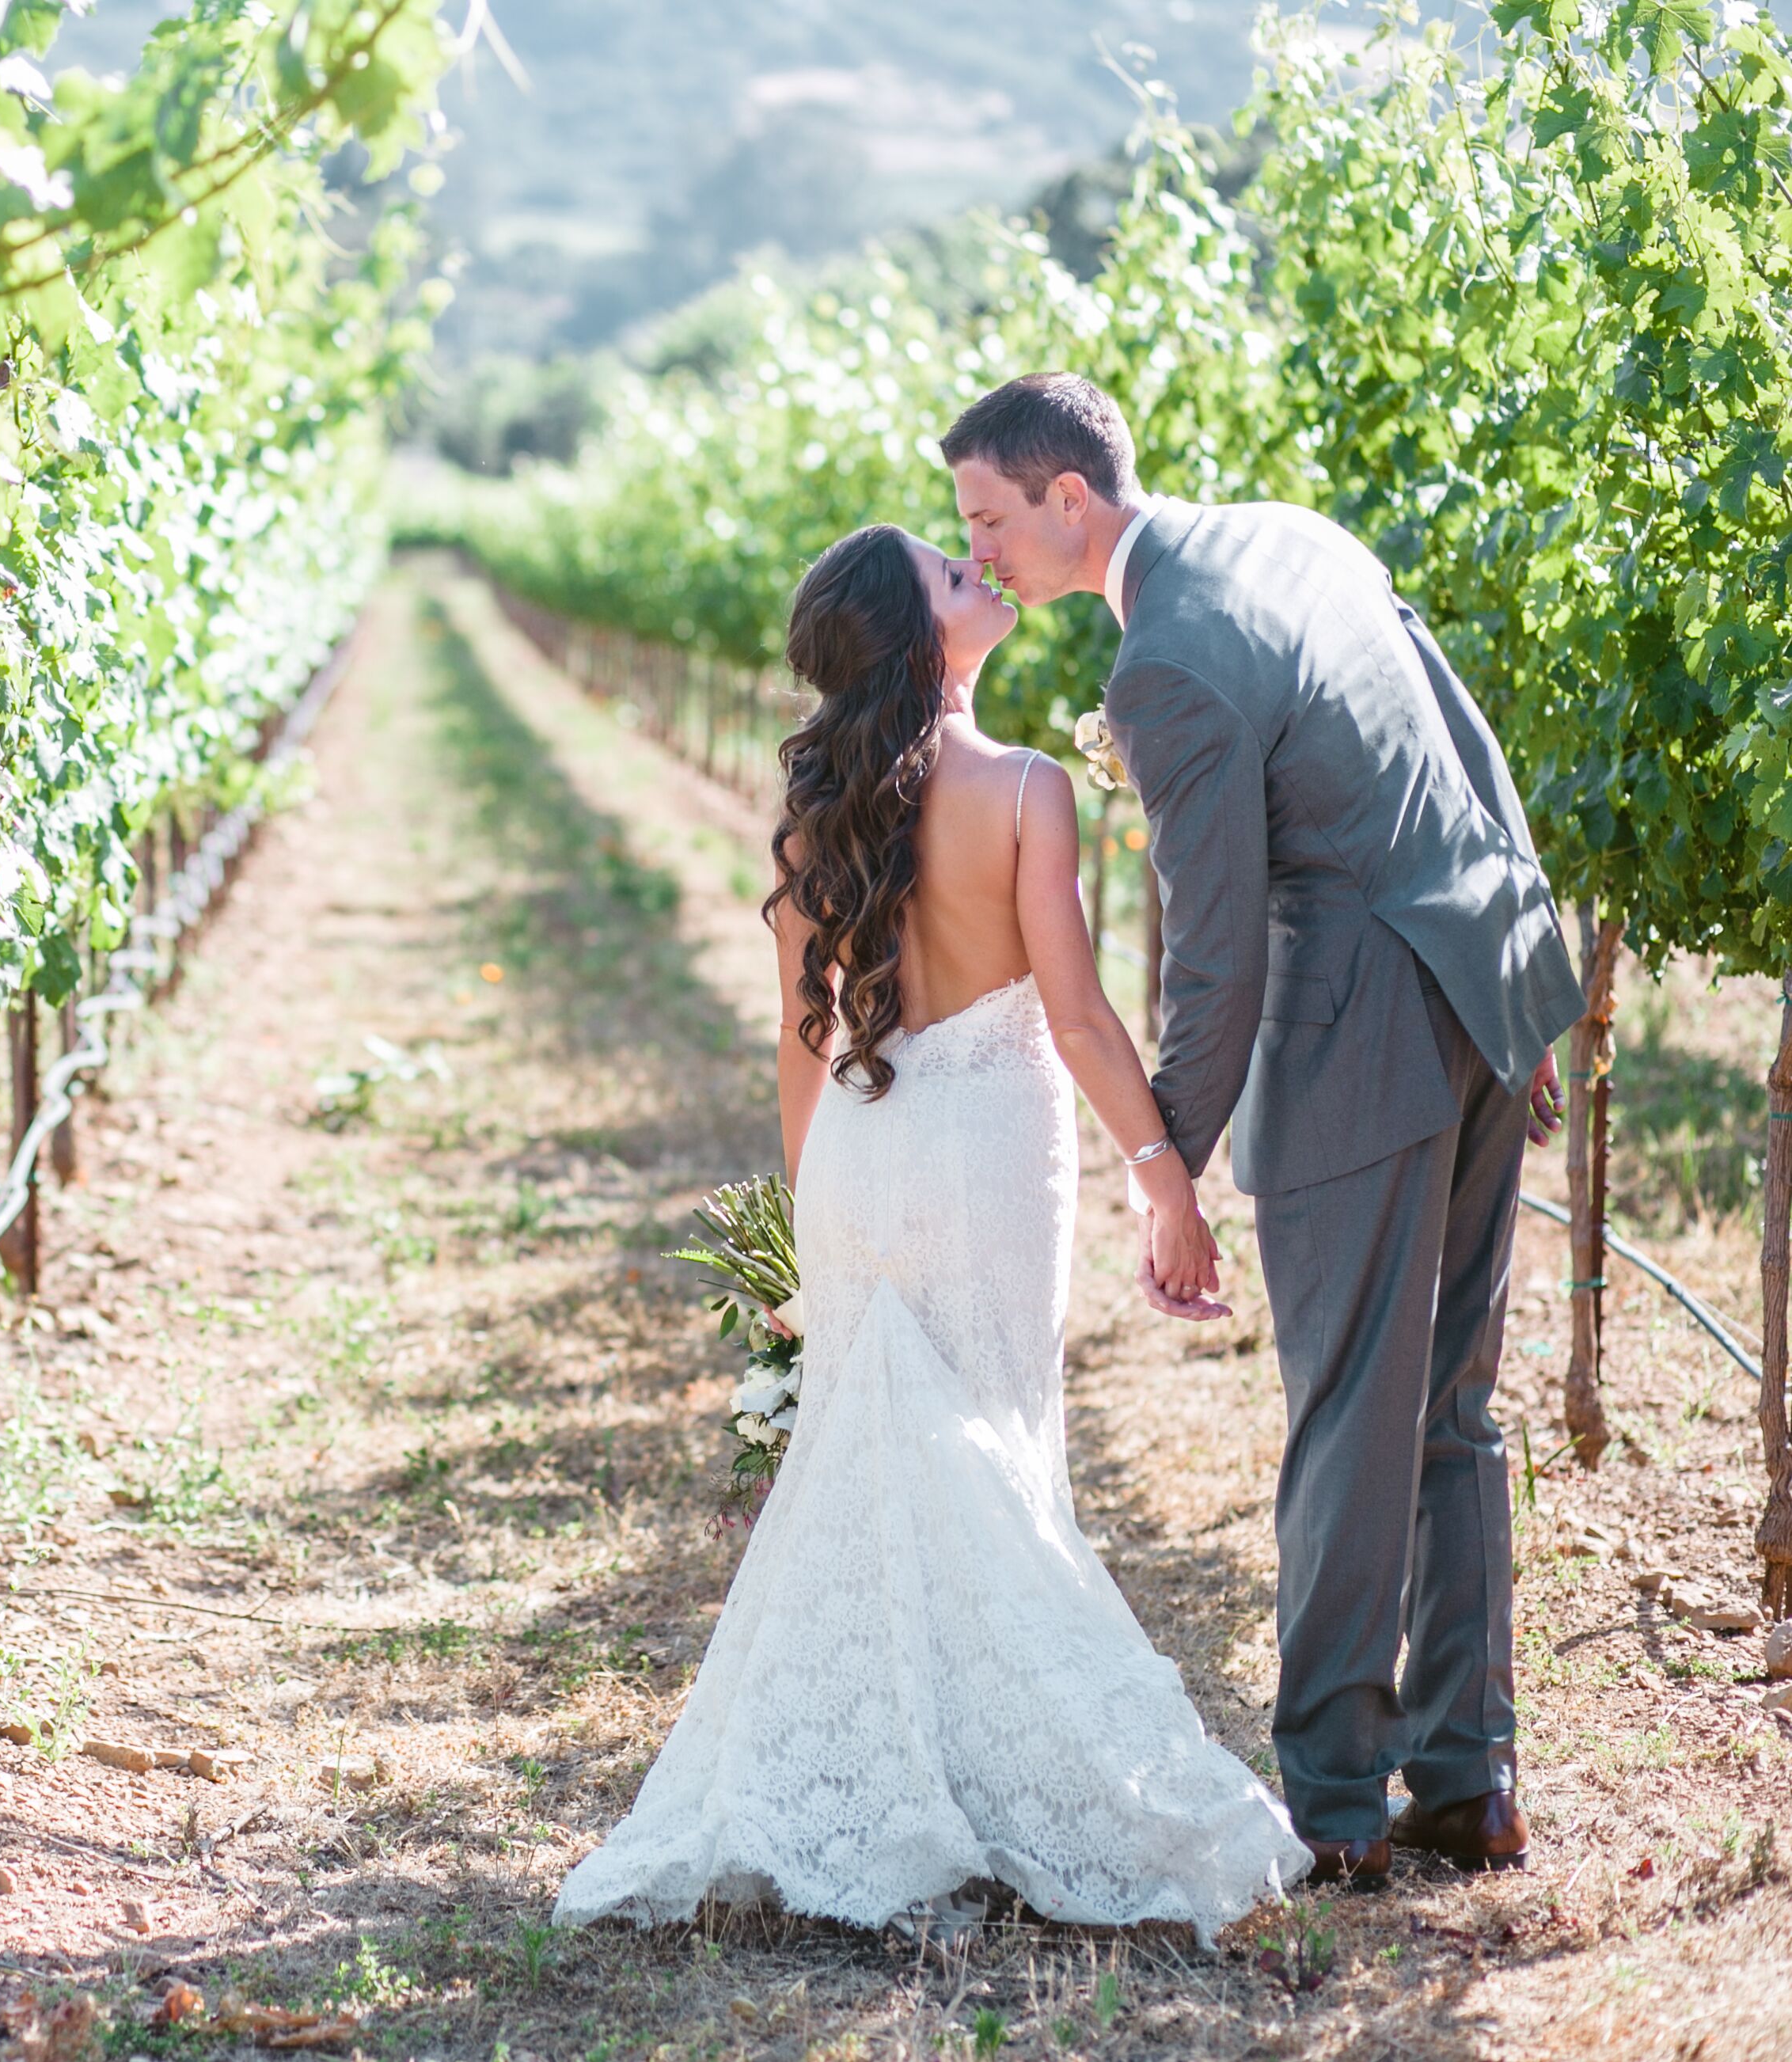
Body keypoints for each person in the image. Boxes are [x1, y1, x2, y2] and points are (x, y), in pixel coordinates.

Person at [552, 521, 1308, 1940]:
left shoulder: (808, 817)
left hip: (859, 1151)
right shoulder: (1026, 789)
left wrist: (807, 1229)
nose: (985, 576)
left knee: (886, 1453)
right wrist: (1164, 1176)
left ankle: (906, 1768)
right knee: (994, 1439)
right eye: (953, 576)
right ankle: (1024, 1775)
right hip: (986, 1159)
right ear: (919, 638)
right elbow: (1078, 1018)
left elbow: (801, 1048)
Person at [942, 373, 1579, 1882]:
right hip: (1479, 980)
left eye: (989, 519)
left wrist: (1169, 1165)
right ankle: (1469, 1776)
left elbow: (1214, 947)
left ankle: (1340, 1808)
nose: (979, 554)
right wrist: (1529, 988)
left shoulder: (1163, 662)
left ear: (1070, 499)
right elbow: (1463, 734)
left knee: (1352, 1412)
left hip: (1360, 1029)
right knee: (1452, 1401)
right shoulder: (1294, 535)